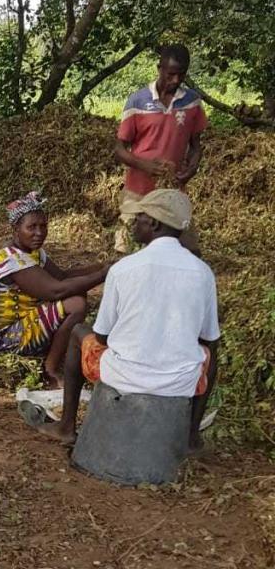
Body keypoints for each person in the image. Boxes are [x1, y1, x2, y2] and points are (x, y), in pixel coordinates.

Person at [36, 189, 220, 452]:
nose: (134, 223)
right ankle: (191, 437)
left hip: (123, 376)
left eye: (140, 218)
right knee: (210, 353)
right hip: (180, 383)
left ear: (154, 223)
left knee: (79, 332)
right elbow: (209, 339)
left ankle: (66, 427)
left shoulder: (124, 269)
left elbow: (101, 337)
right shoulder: (203, 273)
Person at [0, 192, 109, 386]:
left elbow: (62, 277)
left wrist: (104, 266)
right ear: (16, 229)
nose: (39, 232)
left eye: (43, 226)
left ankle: (51, 357)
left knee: (76, 291)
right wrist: (103, 274)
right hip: (3, 339)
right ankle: (50, 370)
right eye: (31, 227)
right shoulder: (12, 260)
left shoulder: (33, 253)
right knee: (76, 303)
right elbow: (55, 291)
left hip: (22, 324)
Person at [113, 44, 207, 254]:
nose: (175, 80)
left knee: (190, 251)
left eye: (181, 75)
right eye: (171, 74)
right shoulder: (138, 101)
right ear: (160, 68)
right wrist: (143, 165)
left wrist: (192, 167)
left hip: (172, 192)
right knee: (125, 249)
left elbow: (196, 145)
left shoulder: (192, 102)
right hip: (138, 192)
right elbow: (119, 149)